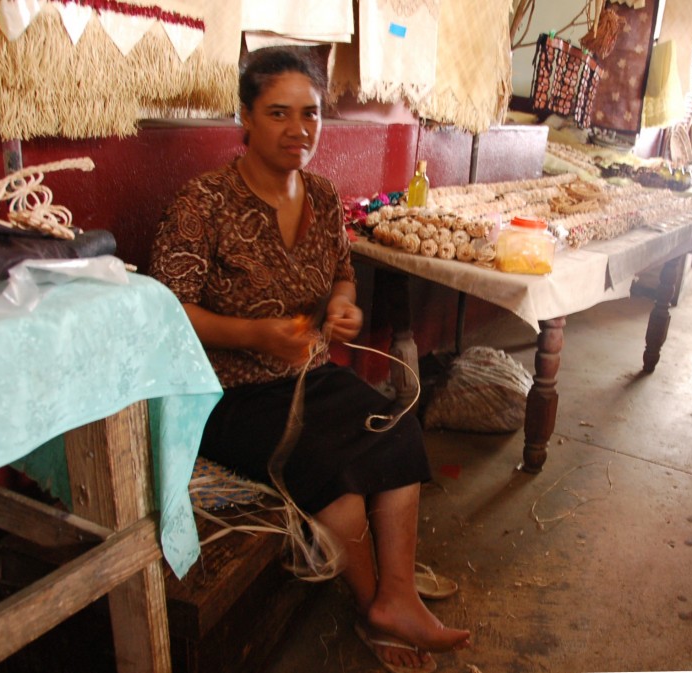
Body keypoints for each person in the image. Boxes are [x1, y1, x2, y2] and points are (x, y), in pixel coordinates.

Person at [150, 46, 469, 671]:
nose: (299, 130)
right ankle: (374, 605)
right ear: (244, 117)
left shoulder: (323, 197)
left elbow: (343, 276)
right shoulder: (203, 203)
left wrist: (342, 307)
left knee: (395, 428)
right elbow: (168, 314)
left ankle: (396, 598)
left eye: (311, 113)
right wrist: (255, 336)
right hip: (224, 392)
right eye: (278, 113)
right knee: (332, 471)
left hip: (308, 374)